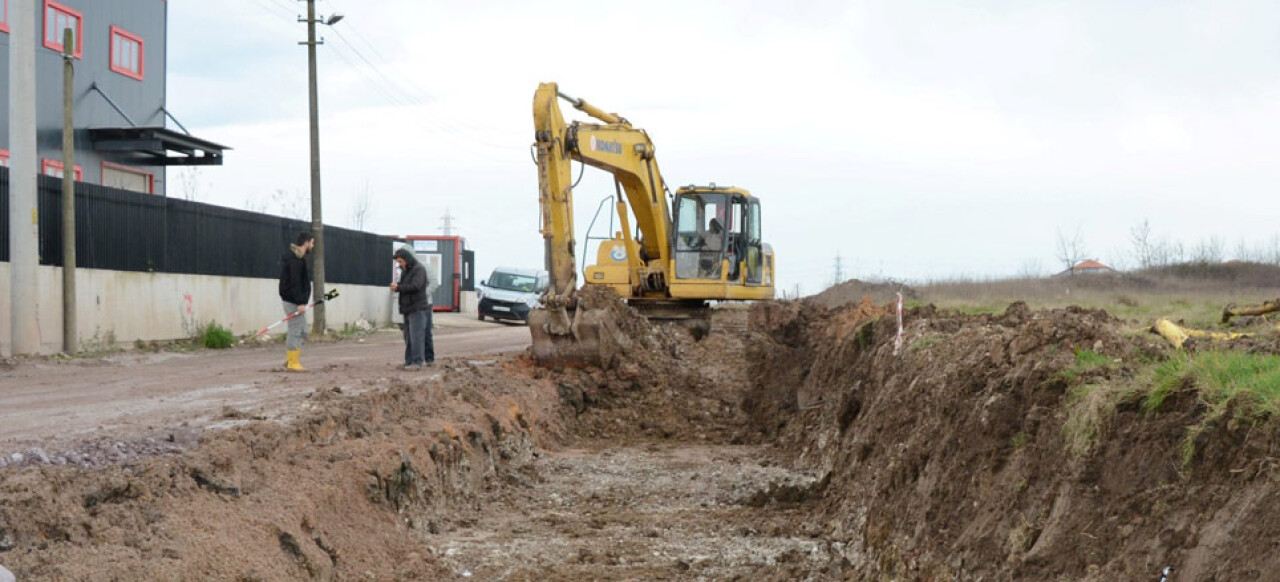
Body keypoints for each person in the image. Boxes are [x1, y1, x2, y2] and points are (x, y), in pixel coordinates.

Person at [392, 247, 434, 369]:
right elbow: (406, 285)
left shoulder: (419, 269)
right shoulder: (406, 270)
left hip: (417, 307)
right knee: (408, 337)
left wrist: (398, 288)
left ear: (407, 259)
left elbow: (415, 286)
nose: (399, 264)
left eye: (400, 261)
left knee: (417, 336)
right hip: (407, 307)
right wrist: (398, 286)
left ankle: (417, 362)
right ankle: (409, 361)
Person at [278, 232, 314, 372]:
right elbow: (295, 283)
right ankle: (293, 363)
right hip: (293, 301)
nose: (313, 245)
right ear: (306, 243)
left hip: (298, 301)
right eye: (312, 242)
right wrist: (300, 302)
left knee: (304, 330)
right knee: (295, 330)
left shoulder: (300, 258)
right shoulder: (295, 260)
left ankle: (291, 359)